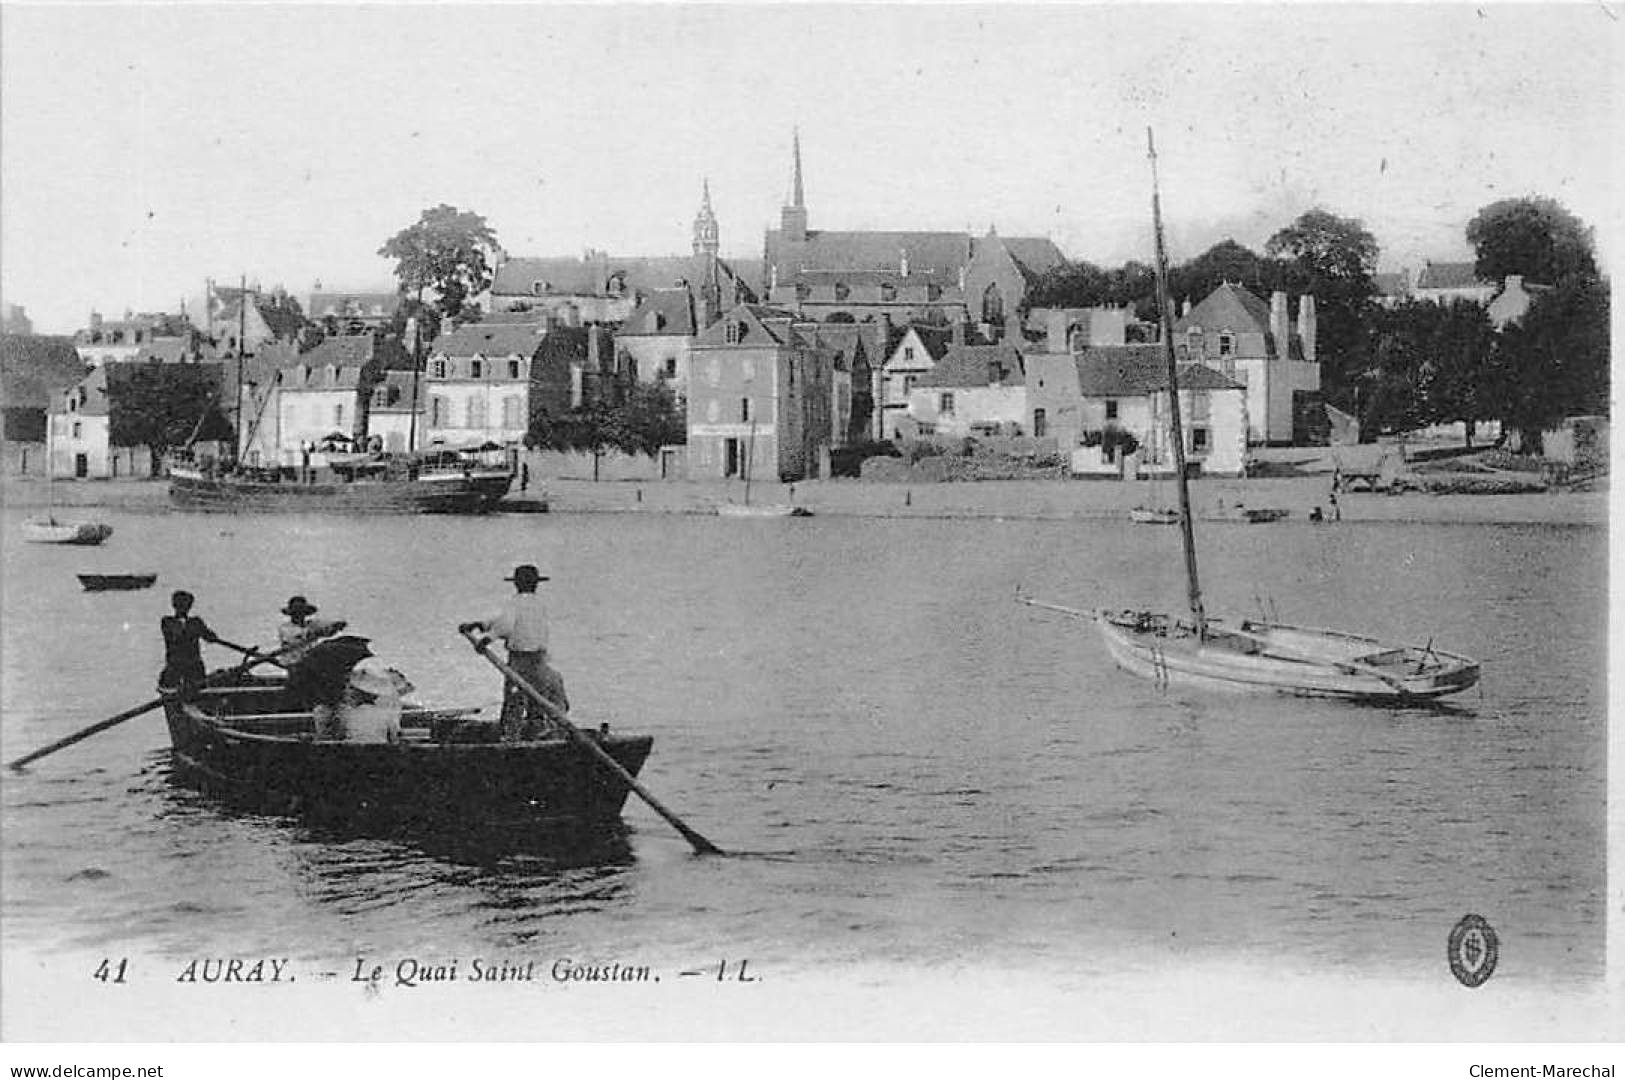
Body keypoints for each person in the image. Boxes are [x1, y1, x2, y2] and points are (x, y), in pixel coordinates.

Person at [460, 564, 568, 742]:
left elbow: (506, 625)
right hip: (540, 660)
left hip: (520, 661)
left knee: (515, 701)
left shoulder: (515, 603)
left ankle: (511, 738)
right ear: (536, 584)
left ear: (517, 584)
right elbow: (505, 621)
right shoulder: (539, 605)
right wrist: (480, 624)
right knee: (537, 700)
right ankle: (537, 734)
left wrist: (487, 639)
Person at [159, 590, 222, 694]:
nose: (183, 608)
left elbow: (210, 637)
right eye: (181, 605)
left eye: (186, 605)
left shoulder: (195, 622)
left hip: (194, 666)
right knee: (169, 682)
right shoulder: (167, 622)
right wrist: (196, 629)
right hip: (175, 667)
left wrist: (208, 634)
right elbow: (177, 633)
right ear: (174, 606)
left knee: (199, 684)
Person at [277, 596, 347, 664]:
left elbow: (327, 629)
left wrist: (336, 625)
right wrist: (313, 635)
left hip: (312, 659)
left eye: (301, 612)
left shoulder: (312, 624)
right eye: (295, 613)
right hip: (294, 660)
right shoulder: (285, 628)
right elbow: (292, 641)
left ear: (305, 614)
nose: (299, 615)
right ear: (291, 614)